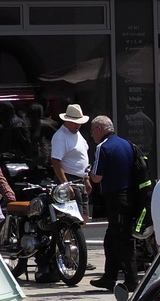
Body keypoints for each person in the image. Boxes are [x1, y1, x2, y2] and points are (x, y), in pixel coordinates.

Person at [87, 115, 137, 290]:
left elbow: (96, 177)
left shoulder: (103, 147)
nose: (91, 135)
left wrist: (90, 172)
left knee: (122, 239)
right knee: (111, 238)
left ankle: (131, 280)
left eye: (92, 130)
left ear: (99, 129)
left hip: (116, 198)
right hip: (130, 196)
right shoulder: (127, 144)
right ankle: (109, 277)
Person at [51, 104, 91, 185]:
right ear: (67, 121)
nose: (78, 125)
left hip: (80, 180)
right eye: (75, 122)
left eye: (79, 123)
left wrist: (86, 178)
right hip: (69, 179)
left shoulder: (77, 133)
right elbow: (55, 161)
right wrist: (65, 184)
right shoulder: (60, 136)